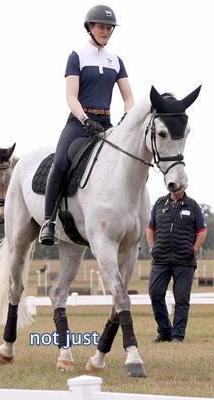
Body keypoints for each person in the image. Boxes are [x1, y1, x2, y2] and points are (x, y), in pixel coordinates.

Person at [39, 4, 134, 245]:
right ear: (90, 28)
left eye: (110, 28)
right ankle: (48, 221)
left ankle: (130, 223)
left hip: (106, 122)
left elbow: (128, 97)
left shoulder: (116, 61)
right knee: (60, 163)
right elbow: (71, 96)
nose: (106, 31)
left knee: (128, 163)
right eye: (102, 27)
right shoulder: (77, 56)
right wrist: (84, 119)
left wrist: (128, 117)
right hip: (79, 121)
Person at [146, 186, 207, 343]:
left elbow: (201, 230)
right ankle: (165, 332)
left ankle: (178, 335)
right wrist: (153, 247)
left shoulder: (192, 205)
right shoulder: (160, 203)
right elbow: (150, 227)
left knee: (181, 299)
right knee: (155, 294)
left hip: (184, 261)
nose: (174, 187)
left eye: (179, 184)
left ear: (185, 186)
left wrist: (193, 250)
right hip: (160, 260)